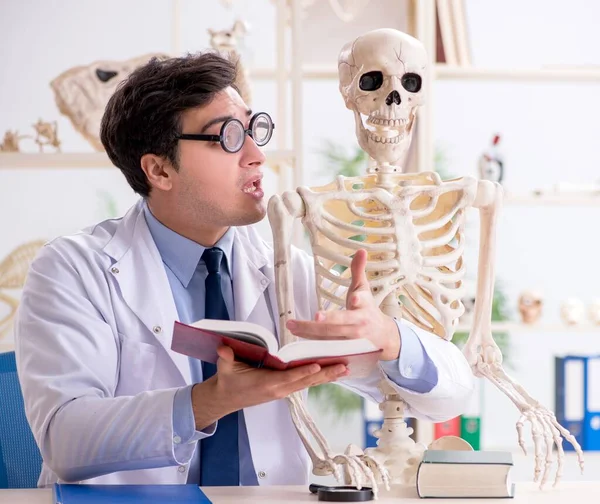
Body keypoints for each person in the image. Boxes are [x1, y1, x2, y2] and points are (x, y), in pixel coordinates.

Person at [15, 52, 474, 488]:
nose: (256, 155)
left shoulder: (288, 272)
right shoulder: (73, 270)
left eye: (255, 130)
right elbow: (65, 440)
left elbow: (446, 398)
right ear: (159, 170)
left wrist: (391, 338)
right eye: (228, 137)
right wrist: (211, 401)